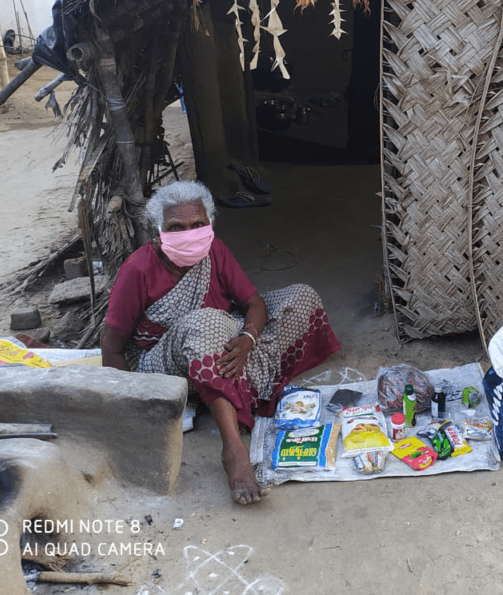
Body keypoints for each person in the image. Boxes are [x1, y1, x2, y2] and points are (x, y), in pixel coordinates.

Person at [100, 180, 341, 504]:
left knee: (301, 297)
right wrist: (137, 406)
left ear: (209, 223)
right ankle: (234, 448)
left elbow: (254, 303)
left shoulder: (214, 251)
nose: (189, 233)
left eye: (197, 224)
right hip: (162, 364)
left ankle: (222, 385)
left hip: (225, 345)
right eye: (176, 226)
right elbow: (112, 346)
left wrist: (247, 339)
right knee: (207, 321)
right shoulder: (138, 269)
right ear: (159, 231)